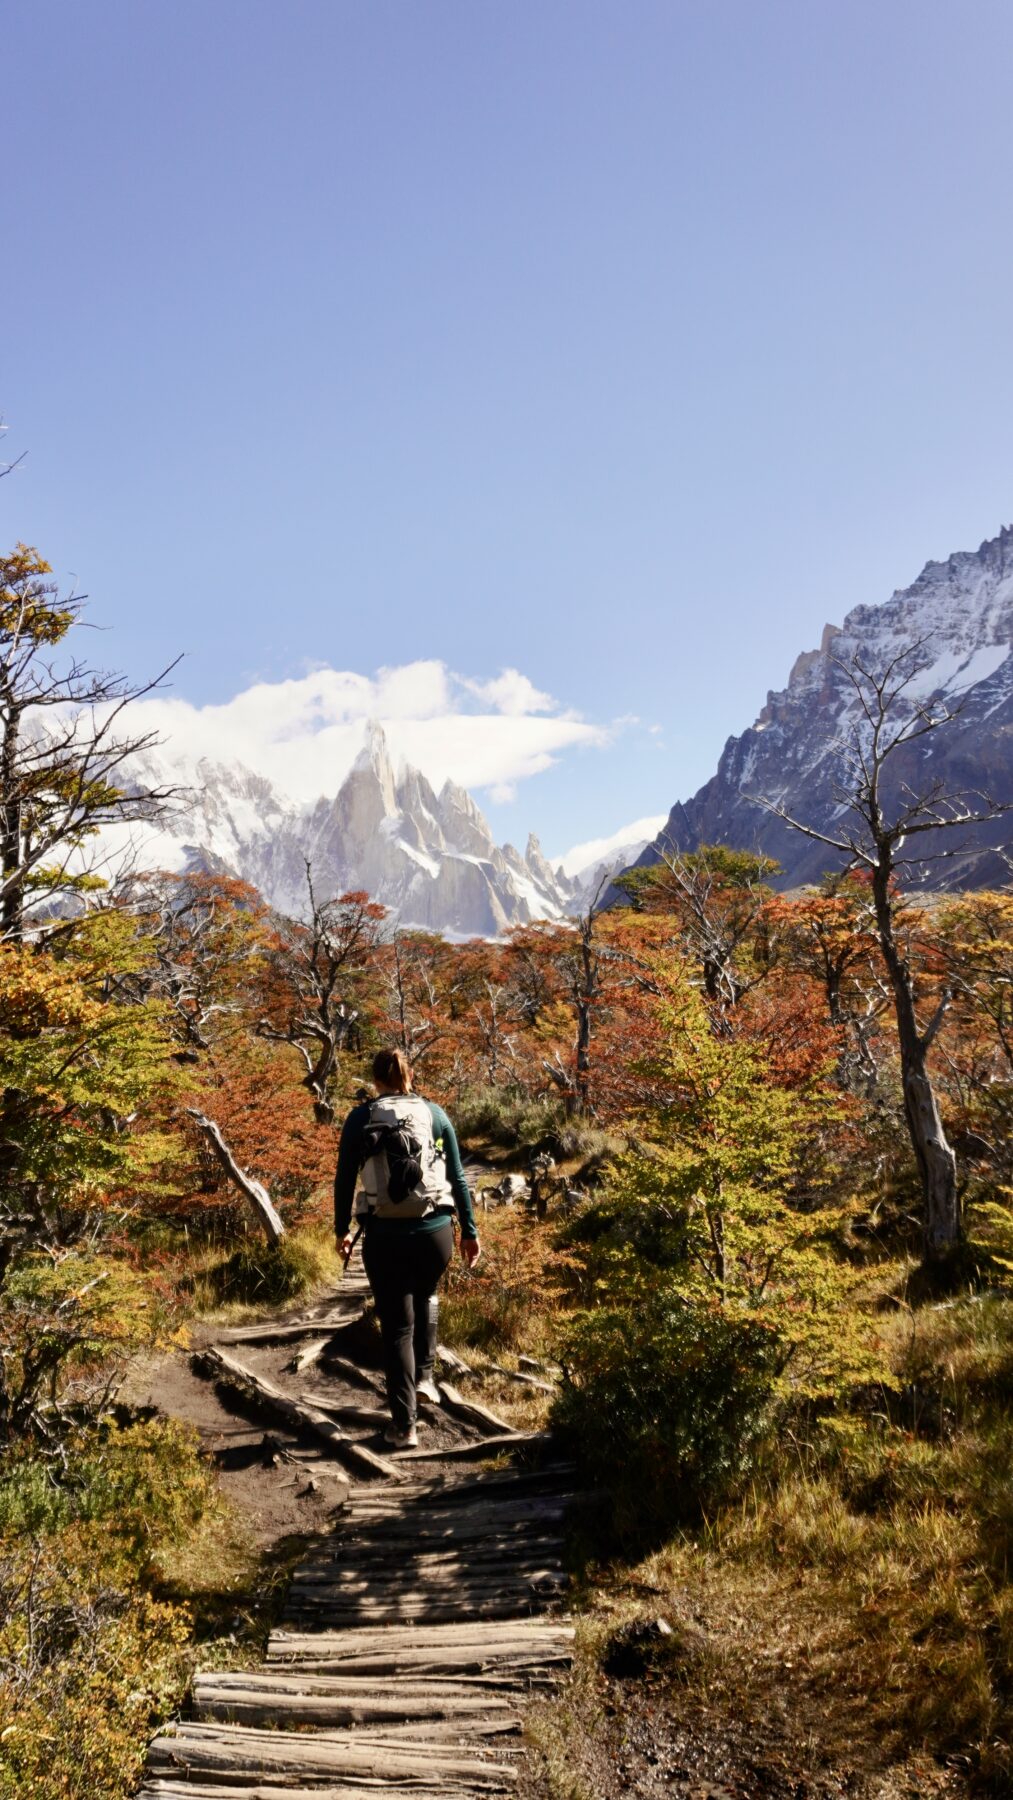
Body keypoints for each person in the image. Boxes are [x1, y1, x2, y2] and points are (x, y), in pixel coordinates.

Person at [334, 1049, 481, 1449]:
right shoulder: (434, 1113)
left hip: (386, 1236)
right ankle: (427, 1378)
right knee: (428, 1292)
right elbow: (458, 1176)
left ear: (377, 1080)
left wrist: (341, 1229)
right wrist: (469, 1230)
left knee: (397, 1327)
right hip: (436, 1232)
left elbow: (345, 1178)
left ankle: (404, 1426)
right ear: (408, 1077)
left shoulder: (361, 1118)